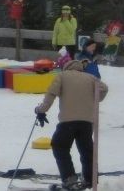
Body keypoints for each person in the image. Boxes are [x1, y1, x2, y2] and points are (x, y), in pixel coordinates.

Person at [34, 59, 109, 190]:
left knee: (59, 146)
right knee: (86, 150)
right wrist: (95, 97)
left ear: (66, 67)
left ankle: (69, 179)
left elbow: (51, 93)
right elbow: (104, 88)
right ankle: (90, 180)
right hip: (86, 123)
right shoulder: (91, 78)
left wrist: (41, 110)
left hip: (67, 121)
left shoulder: (62, 76)